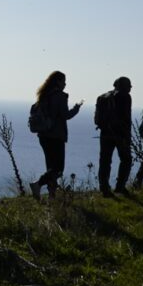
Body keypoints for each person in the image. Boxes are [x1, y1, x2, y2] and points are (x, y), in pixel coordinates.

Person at [28, 71, 82, 200]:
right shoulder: (60, 96)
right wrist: (76, 108)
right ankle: (38, 184)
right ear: (58, 81)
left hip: (43, 135)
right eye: (64, 81)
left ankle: (52, 196)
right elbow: (65, 115)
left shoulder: (43, 95)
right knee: (58, 169)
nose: (65, 84)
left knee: (50, 167)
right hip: (56, 136)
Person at [95, 77, 133, 197]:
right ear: (123, 86)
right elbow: (126, 117)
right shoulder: (125, 96)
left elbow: (98, 119)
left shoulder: (102, 97)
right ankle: (120, 187)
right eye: (129, 86)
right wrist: (127, 135)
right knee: (126, 160)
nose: (130, 88)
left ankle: (104, 188)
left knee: (105, 161)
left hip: (105, 133)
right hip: (120, 133)